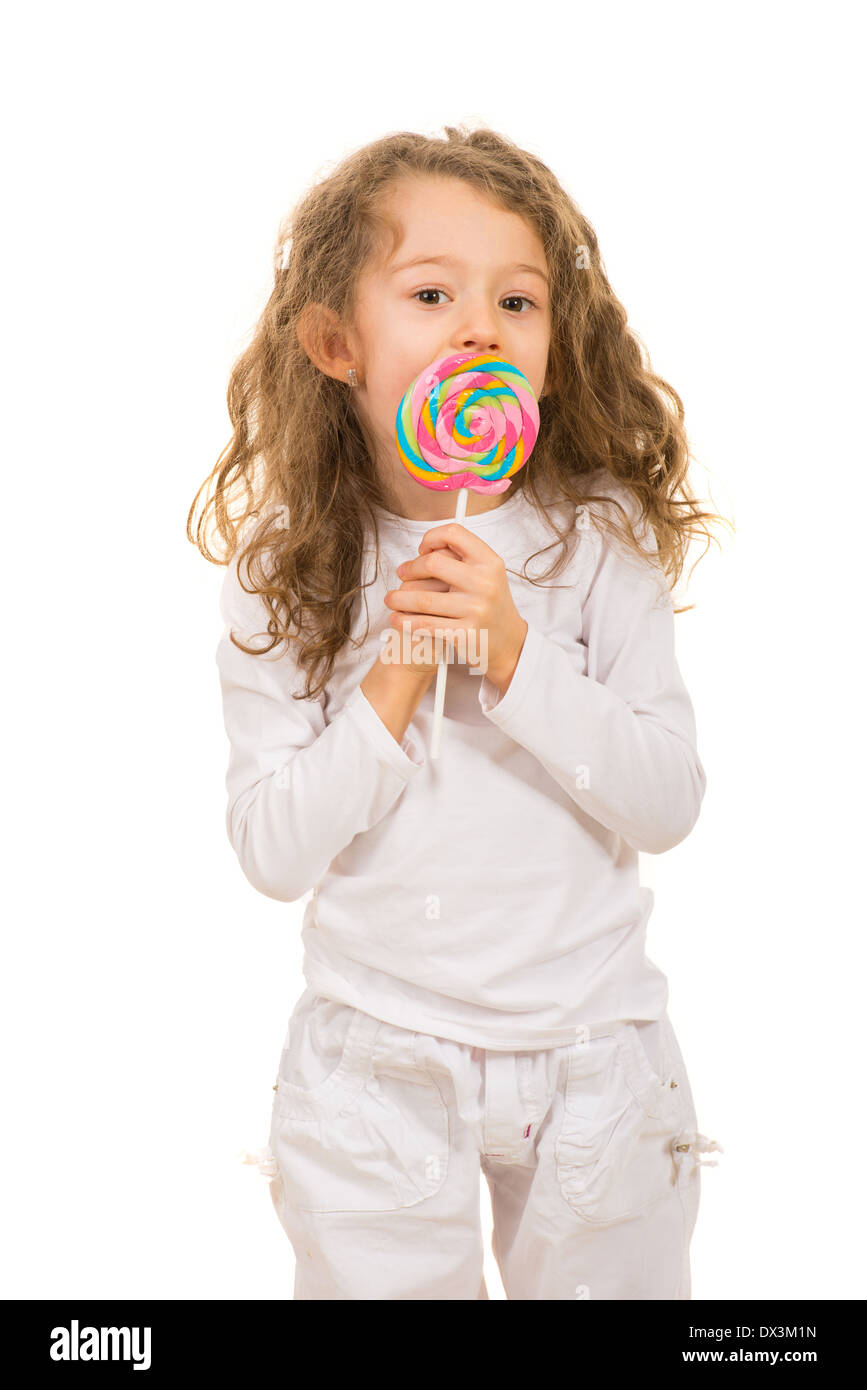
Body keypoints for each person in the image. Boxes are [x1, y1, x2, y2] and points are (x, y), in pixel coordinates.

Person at [188, 124, 727, 1300]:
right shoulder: (287, 569)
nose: (482, 327)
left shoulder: (596, 540)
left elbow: (668, 797)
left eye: (518, 302)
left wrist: (515, 654)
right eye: (432, 293)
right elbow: (275, 852)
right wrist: (393, 670)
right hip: (373, 1069)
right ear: (337, 341)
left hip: (596, 1060)